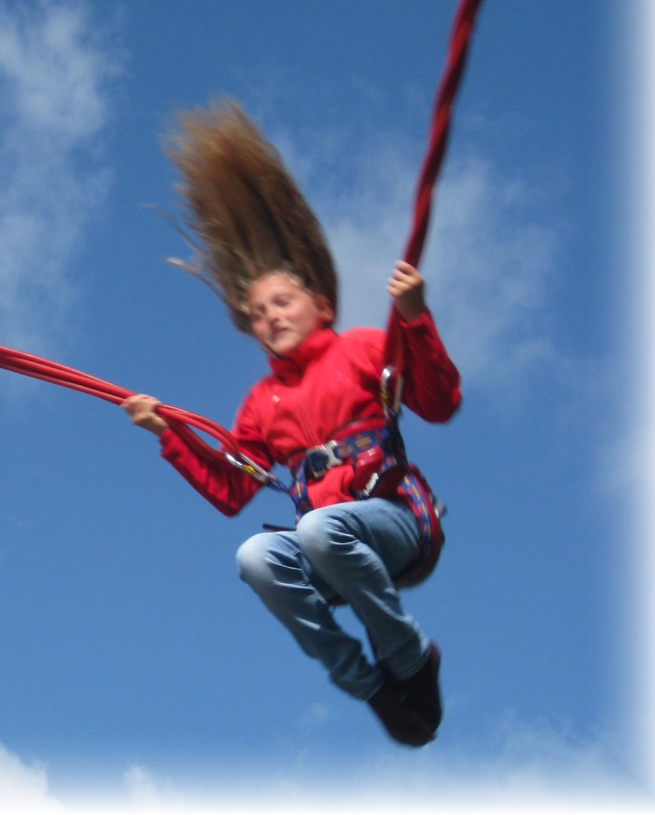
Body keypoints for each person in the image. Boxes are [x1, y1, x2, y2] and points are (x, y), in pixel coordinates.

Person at [121, 101, 461, 747]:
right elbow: (231, 491)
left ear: (320, 304)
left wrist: (414, 317)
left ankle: (410, 660)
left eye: (282, 301)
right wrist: (168, 434)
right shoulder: (259, 404)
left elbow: (439, 403)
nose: (269, 316)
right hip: (325, 547)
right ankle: (367, 685)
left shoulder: (361, 348)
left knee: (319, 527)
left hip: (391, 522)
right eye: (256, 312)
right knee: (252, 555)